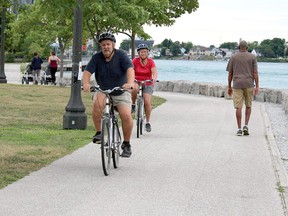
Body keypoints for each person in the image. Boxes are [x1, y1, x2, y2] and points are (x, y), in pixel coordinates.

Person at [82, 32, 135, 158]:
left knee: (126, 115)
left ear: (113, 45)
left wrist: (130, 83)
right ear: (100, 46)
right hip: (103, 90)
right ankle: (99, 132)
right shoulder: (96, 57)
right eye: (103, 45)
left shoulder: (121, 55)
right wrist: (86, 83)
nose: (106, 47)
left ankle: (126, 144)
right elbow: (87, 72)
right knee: (97, 104)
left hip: (120, 91)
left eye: (108, 44)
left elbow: (130, 69)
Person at [226, 40, 259, 136]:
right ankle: (246, 126)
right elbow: (255, 73)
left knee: (238, 107)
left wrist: (229, 86)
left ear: (239, 47)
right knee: (248, 105)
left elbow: (230, 73)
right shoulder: (252, 57)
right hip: (249, 84)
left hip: (237, 84)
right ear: (247, 47)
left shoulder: (233, 57)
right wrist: (257, 86)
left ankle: (239, 129)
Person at [131, 43, 158, 132]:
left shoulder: (150, 61)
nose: (143, 53)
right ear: (139, 53)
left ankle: (147, 122)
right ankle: (133, 104)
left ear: (147, 53)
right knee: (134, 89)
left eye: (145, 52)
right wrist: (131, 79)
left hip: (148, 83)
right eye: (142, 52)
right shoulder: (135, 61)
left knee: (147, 101)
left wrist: (153, 79)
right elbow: (130, 71)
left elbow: (154, 72)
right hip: (137, 81)